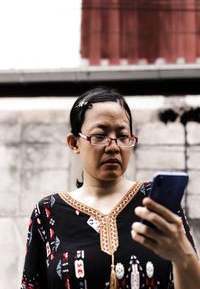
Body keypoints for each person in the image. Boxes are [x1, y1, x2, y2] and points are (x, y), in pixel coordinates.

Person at [21, 87, 200, 289]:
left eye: (123, 137)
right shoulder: (48, 212)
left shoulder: (155, 204)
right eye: (100, 136)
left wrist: (183, 255)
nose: (114, 146)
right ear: (74, 143)